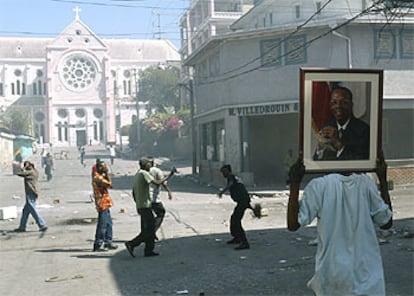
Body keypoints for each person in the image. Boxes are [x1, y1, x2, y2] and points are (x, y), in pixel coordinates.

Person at [287, 152, 393, 296]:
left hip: (332, 274)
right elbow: (386, 222)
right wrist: (382, 179)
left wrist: (294, 183)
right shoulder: (366, 183)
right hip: (367, 274)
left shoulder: (319, 186)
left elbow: (293, 224)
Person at [124, 157, 175, 258]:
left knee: (149, 228)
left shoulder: (138, 173)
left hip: (142, 204)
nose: (150, 166)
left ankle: (148, 250)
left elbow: (133, 191)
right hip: (145, 205)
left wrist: (137, 201)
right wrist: (170, 175)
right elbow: (157, 182)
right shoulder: (143, 173)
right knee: (150, 230)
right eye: (149, 164)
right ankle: (132, 243)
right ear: (145, 164)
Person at [314, 86, 370, 161]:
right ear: (330, 106)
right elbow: (317, 162)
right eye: (334, 103)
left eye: (344, 102)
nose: (338, 106)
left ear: (351, 105)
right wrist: (320, 148)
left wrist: (339, 145)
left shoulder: (363, 130)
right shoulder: (327, 126)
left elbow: (362, 162)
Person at [218, 164, 261, 250]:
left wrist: (222, 191)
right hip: (243, 201)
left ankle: (245, 243)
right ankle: (237, 238)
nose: (223, 174)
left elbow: (230, 184)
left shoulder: (231, 178)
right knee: (234, 219)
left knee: (236, 221)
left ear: (228, 171)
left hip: (242, 202)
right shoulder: (235, 178)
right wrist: (252, 208)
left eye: (224, 172)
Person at [14, 161, 48, 232]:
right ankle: (22, 227)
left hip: (31, 192)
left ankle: (42, 224)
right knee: (25, 211)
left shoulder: (31, 172)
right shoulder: (34, 171)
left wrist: (24, 167)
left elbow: (19, 173)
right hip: (31, 192)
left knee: (32, 209)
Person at [92, 160, 117, 251]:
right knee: (102, 225)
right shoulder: (98, 178)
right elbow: (109, 184)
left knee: (109, 224)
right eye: (103, 167)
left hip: (106, 202)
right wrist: (107, 173)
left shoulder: (100, 176)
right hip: (101, 203)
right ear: (99, 168)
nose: (105, 168)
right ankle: (98, 244)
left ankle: (108, 242)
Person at [149, 158, 174, 239]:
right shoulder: (156, 171)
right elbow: (162, 182)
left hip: (144, 198)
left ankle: (148, 233)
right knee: (161, 213)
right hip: (154, 198)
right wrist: (169, 191)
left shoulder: (142, 172)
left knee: (148, 217)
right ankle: (152, 232)